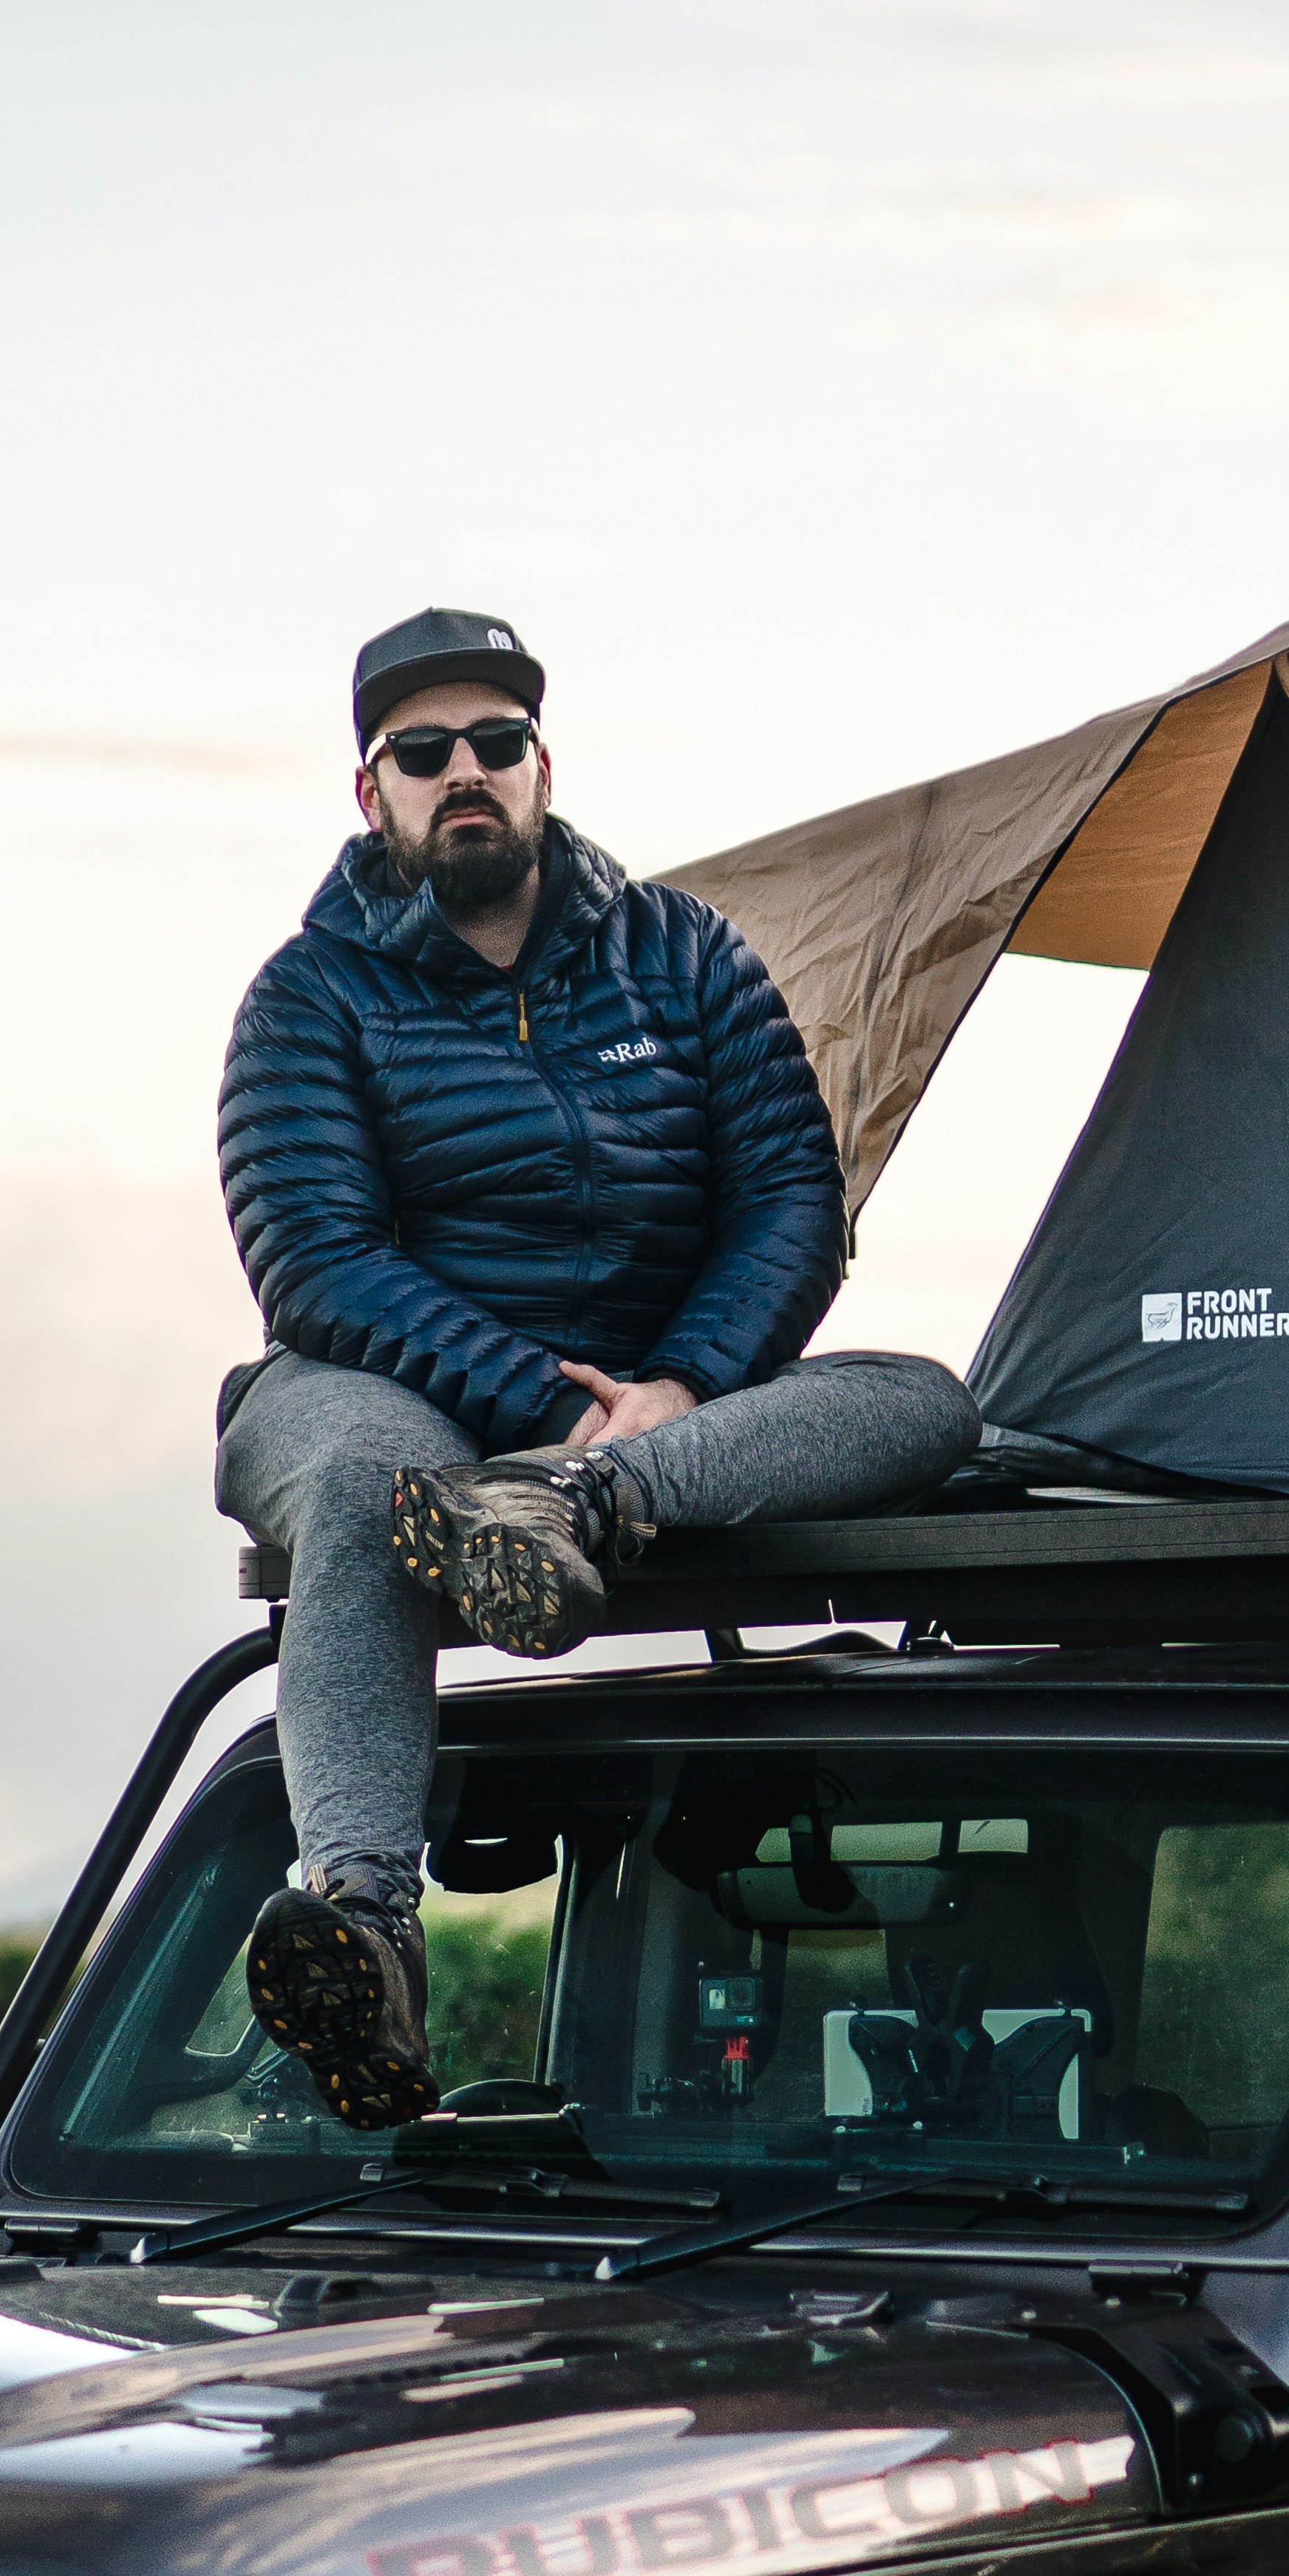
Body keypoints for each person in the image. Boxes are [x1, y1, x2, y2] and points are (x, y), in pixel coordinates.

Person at [213, 606, 979, 2123]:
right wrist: (554, 1406)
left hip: (649, 1407)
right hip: (374, 1383)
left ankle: (586, 1510)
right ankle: (361, 1923)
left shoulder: (684, 953)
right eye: (422, 752)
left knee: (929, 1401)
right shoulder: (307, 997)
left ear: (542, 767)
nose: (465, 771)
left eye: (494, 742)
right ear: (372, 795)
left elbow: (787, 1199)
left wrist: (678, 1391)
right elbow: (318, 1260)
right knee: (370, 1488)